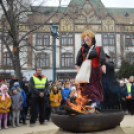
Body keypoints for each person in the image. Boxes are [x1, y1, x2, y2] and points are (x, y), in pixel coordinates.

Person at [76, 30, 106, 104]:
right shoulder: (82, 49)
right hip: (86, 72)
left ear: (92, 38)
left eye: (88, 36)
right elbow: (79, 59)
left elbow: (102, 57)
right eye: (85, 37)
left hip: (96, 72)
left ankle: (95, 103)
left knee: (96, 87)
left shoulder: (99, 48)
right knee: (86, 88)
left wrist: (103, 65)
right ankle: (87, 102)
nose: (86, 38)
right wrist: (78, 67)